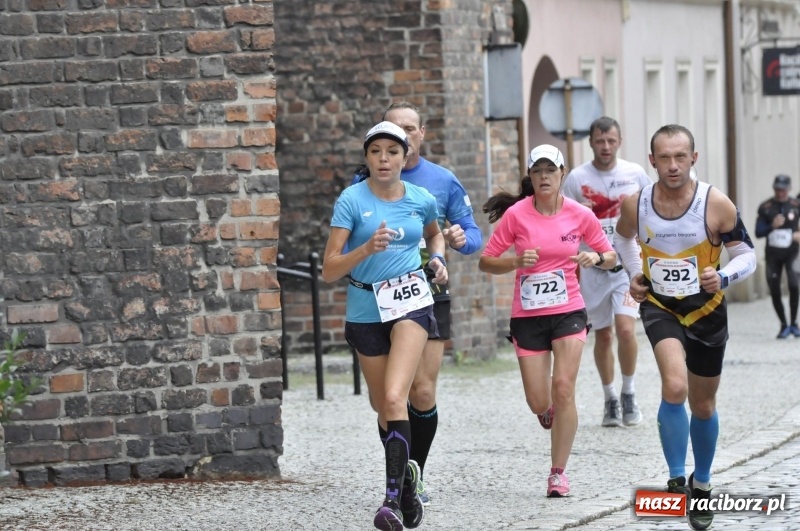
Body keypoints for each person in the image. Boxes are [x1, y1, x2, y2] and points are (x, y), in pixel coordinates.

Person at [614, 124, 757, 530]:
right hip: (661, 305)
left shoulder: (716, 203)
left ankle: (703, 482)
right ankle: (677, 479)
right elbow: (622, 240)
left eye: (681, 157)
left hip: (707, 308)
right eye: (665, 157)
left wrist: (724, 277)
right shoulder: (636, 204)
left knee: (704, 404)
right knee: (674, 386)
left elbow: (747, 254)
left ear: (693, 158)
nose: (673, 165)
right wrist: (633, 275)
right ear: (652, 160)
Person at [322, 121, 448, 530]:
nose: (383, 159)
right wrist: (365, 247)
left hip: (410, 303)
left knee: (397, 397)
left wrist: (438, 258)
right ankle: (408, 484)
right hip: (364, 307)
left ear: (405, 156)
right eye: (375, 151)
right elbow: (328, 269)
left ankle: (390, 501)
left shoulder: (421, 198)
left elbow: (434, 235)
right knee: (383, 406)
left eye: (392, 152)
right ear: (366, 157)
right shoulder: (351, 200)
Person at [479, 144, 617, 498]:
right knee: (539, 401)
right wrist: (514, 261)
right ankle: (548, 411)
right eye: (537, 171)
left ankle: (558, 473)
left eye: (550, 171)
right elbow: (486, 261)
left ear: (562, 174)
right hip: (527, 315)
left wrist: (594, 257)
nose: (544, 177)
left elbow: (610, 255)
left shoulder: (580, 214)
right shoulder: (516, 215)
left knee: (564, 387)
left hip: (568, 309)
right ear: (531, 176)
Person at [367, 101, 482, 506]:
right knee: (384, 399)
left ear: (421, 134)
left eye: (411, 128)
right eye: (396, 128)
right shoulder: (365, 179)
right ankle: (400, 472)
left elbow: (473, 233)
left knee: (421, 390)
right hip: (381, 296)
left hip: (429, 291)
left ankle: (412, 476)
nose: (404, 135)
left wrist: (460, 240)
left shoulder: (443, 180)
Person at [562, 116, 651, 427]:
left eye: (611, 141)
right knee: (603, 335)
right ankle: (610, 396)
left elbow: (648, 211)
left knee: (626, 330)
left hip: (627, 263)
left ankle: (629, 392)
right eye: (600, 141)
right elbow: (565, 222)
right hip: (593, 266)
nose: (605, 147)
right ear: (591, 143)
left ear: (620, 141)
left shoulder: (635, 173)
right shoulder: (575, 178)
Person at [754, 174, 800, 338]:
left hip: (792, 253)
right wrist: (771, 226)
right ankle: (783, 324)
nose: (780, 193)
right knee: (774, 288)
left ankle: (794, 323)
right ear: (774, 189)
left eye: (783, 189)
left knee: (794, 285)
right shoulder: (766, 207)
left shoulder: (795, 204)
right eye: (778, 189)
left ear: (789, 189)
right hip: (773, 255)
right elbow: (758, 232)